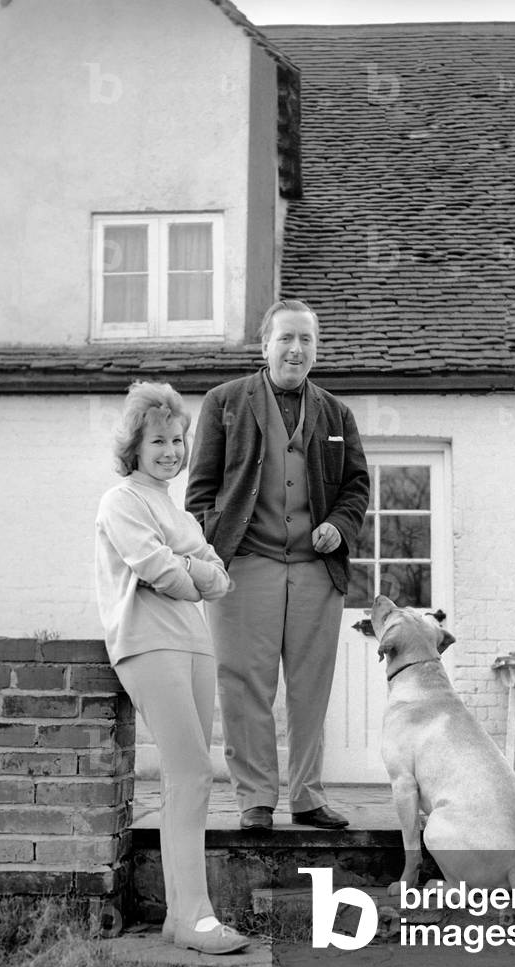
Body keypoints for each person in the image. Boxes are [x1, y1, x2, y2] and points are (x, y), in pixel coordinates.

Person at [186, 299, 370, 831]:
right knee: (243, 685)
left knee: (312, 686)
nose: (296, 349)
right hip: (245, 566)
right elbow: (199, 493)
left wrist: (340, 522)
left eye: (306, 340)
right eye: (285, 338)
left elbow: (357, 485)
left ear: (316, 348)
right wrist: (214, 549)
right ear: (264, 345)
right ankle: (255, 800)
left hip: (317, 570)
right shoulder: (224, 403)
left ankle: (308, 796)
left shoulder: (337, 414)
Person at [95, 381, 248, 955]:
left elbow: (219, 577)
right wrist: (192, 568)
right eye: (158, 440)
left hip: (193, 642)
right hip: (146, 641)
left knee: (189, 778)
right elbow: (162, 569)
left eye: (178, 440)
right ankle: (195, 918)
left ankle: (180, 916)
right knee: (190, 773)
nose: (170, 450)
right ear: (134, 446)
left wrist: (193, 568)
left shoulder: (174, 507)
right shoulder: (121, 501)